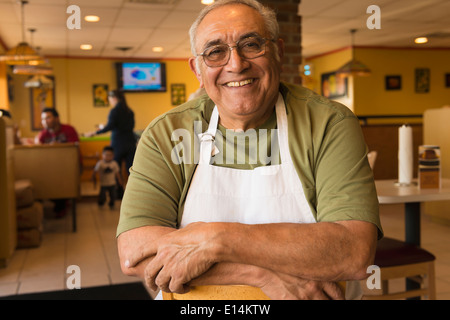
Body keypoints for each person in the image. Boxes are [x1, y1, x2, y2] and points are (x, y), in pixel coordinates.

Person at [117, 0, 383, 300]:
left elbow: (353, 251)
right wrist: (260, 275)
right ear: (197, 69)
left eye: (251, 44)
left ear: (278, 51)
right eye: (216, 52)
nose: (236, 64)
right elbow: (134, 251)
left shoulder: (327, 123)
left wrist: (217, 239)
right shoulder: (168, 132)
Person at [86, 90, 137, 197]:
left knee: (115, 169)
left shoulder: (114, 111)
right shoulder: (130, 111)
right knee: (131, 171)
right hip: (130, 143)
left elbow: (110, 127)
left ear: (113, 98)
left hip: (118, 143)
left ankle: (119, 194)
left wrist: (95, 132)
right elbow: (130, 127)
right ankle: (135, 194)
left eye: (110, 99)